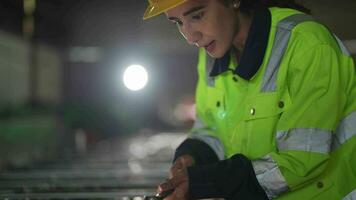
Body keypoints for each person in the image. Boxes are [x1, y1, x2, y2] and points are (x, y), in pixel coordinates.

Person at [143, 0, 356, 199]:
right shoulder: (211, 54)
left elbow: (303, 160)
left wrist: (204, 182)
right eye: (179, 22)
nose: (190, 36)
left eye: (197, 16)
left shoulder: (307, 44)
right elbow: (211, 128)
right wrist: (192, 156)